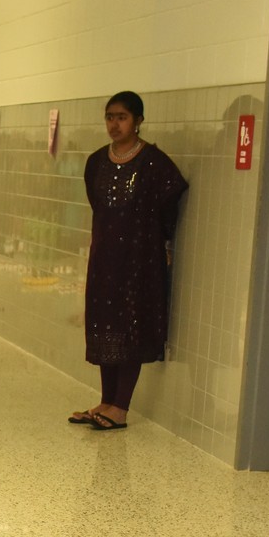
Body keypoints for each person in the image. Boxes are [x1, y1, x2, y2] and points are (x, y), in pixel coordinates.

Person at [71, 90, 188, 431]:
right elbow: (99, 205)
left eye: (121, 117)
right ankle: (106, 401)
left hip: (139, 261)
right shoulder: (96, 161)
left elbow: (170, 202)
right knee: (104, 325)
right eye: (110, 117)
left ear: (138, 121)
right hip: (105, 258)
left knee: (129, 327)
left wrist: (158, 242)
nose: (114, 124)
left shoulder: (154, 163)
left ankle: (121, 407)